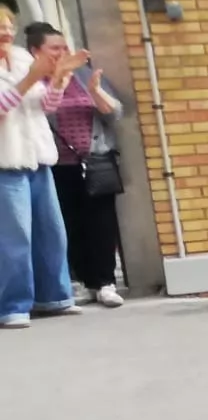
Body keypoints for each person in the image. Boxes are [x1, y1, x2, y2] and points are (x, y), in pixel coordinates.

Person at [0, 9, 86, 329]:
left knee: (51, 232)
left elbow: (46, 106)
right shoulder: (30, 67)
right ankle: (12, 305)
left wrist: (59, 79)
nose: (7, 33)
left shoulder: (24, 58)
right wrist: (30, 78)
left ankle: (54, 296)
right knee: (15, 239)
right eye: (0, 28)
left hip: (38, 159)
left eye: (9, 27)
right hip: (6, 162)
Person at [36, 22, 125, 308]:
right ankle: (87, 282)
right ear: (36, 52)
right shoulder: (34, 83)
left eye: (65, 47)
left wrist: (96, 91)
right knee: (70, 225)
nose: (63, 53)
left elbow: (115, 113)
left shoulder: (86, 74)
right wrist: (57, 79)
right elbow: (40, 113)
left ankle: (106, 282)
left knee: (102, 223)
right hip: (58, 165)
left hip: (95, 160)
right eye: (55, 48)